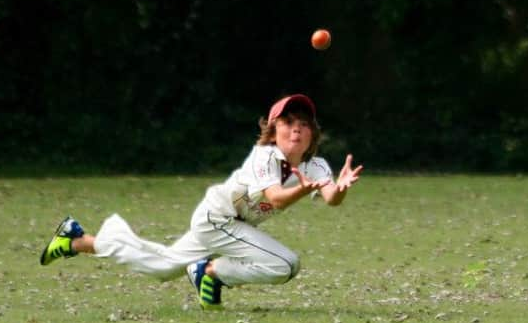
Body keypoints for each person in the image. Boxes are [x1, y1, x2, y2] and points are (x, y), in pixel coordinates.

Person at [40, 94, 363, 310]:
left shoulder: (316, 165)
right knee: (286, 264)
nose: (297, 128)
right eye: (288, 122)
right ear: (273, 129)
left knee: (163, 266)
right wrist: (303, 190)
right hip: (218, 218)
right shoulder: (265, 155)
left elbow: (331, 197)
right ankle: (211, 271)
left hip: (232, 223)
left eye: (304, 123)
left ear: (313, 133)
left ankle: (77, 240)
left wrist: (342, 187)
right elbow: (277, 200)